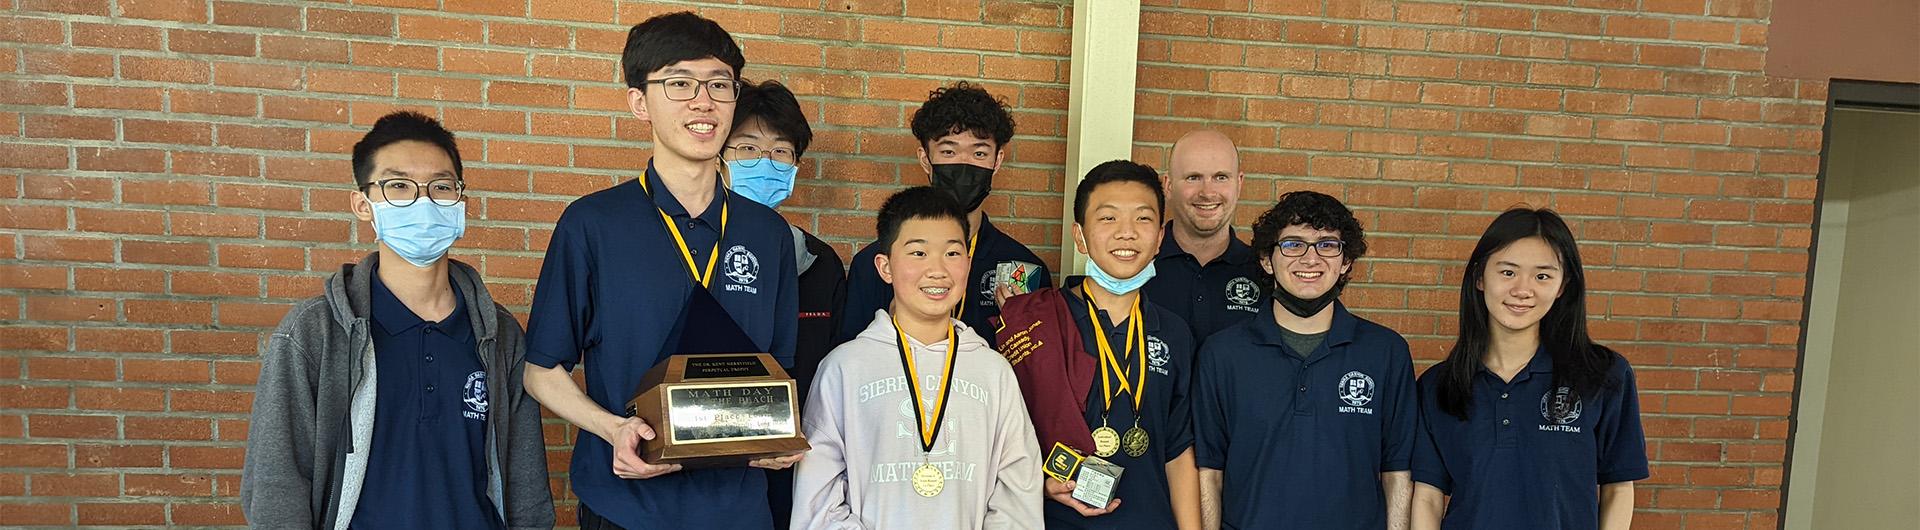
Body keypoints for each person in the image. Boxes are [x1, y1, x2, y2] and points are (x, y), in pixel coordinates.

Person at [520, 12, 801, 530]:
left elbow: (778, 365)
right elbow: (541, 369)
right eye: (679, 83)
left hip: (738, 509)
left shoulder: (768, 233)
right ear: (639, 102)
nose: (703, 100)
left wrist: (781, 434)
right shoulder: (592, 224)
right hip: (626, 505)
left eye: (720, 84)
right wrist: (611, 429)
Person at [240, 111, 553, 529]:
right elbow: (277, 481)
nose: (423, 202)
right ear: (363, 204)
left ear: (460, 201)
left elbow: (525, 482)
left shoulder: (497, 333)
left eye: (441, 187)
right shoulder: (315, 333)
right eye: (398, 186)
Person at [791, 186, 1043, 529]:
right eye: (918, 253)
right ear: (885, 267)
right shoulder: (844, 368)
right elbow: (818, 497)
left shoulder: (992, 371)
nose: (937, 270)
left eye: (952, 254)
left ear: (968, 265)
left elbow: (1018, 488)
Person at [1410, 209, 1647, 530]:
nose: (1523, 289)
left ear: (1563, 285)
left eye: (1543, 276)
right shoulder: (1440, 385)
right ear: (1480, 277)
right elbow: (1428, 495)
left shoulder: (1604, 374)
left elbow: (1618, 487)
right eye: (1508, 273)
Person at [1191, 191, 1415, 530]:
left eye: (1327, 245)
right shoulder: (1222, 354)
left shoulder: (1385, 352)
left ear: (1346, 262)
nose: (1311, 259)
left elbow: (1396, 472)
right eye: (1293, 244)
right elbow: (1210, 472)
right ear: (1267, 259)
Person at [996, 160, 1201, 529]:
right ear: (1080, 236)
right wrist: (1042, 486)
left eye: (1142, 219)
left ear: (1159, 238)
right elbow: (996, 442)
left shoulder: (1174, 332)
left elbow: (1178, 451)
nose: (1126, 233)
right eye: (1108, 219)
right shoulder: (1036, 323)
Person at [836, 81, 1052, 346]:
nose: (964, 164)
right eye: (949, 151)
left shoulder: (1025, 267)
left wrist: (1020, 333)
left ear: (997, 161)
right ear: (925, 158)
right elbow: (852, 358)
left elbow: (1034, 370)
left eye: (979, 152)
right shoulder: (875, 264)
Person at [723, 79, 849, 528]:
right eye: (748, 149)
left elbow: (838, 370)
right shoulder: (691, 257)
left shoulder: (820, 263)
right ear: (718, 154)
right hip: (707, 468)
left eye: (781, 152)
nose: (766, 163)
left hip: (798, 472)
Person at [1143, 130, 1267, 345]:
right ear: (1169, 186)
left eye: (1221, 177)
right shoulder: (1136, 268)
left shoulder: (1265, 273)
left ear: (1239, 183)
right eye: (1193, 177)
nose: (1208, 192)